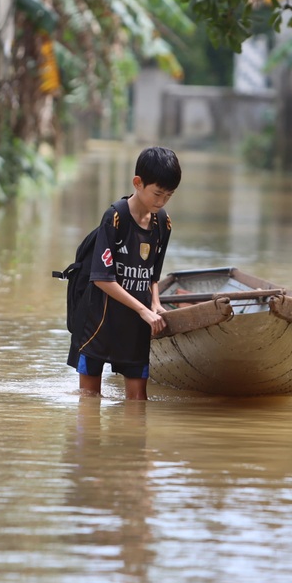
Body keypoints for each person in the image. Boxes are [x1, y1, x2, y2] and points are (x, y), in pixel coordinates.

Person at [67, 146, 181, 400]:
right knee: (88, 402)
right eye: (158, 193)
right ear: (138, 183)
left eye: (169, 196)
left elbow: (153, 273)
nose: (161, 202)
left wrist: (155, 304)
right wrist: (143, 310)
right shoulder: (115, 217)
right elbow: (101, 278)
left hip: (136, 325)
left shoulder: (163, 223)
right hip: (99, 321)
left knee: (138, 404)